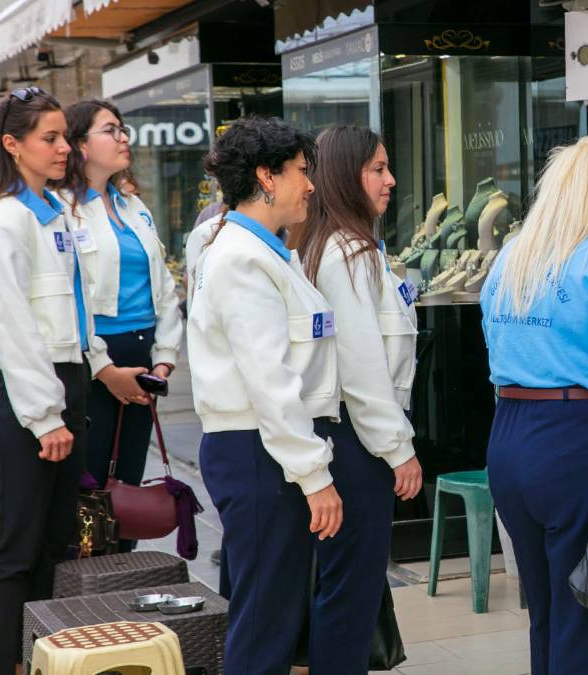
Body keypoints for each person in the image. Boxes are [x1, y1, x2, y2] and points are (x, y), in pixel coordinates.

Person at [479, 128, 588, 675]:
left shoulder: (512, 257)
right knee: (583, 617)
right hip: (576, 438)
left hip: (509, 437)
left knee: (547, 612)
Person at [187, 116, 343, 674]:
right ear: (266, 177)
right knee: (263, 626)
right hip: (259, 452)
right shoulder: (241, 259)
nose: (310, 185)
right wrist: (314, 474)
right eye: (302, 172)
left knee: (272, 614)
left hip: (265, 449)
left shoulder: (268, 251)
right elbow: (271, 382)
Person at [0, 87, 110, 674]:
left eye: (63, 138)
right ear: (11, 144)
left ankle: (41, 662)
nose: (61, 149)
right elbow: (14, 327)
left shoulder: (55, 212)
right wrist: (45, 415)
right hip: (23, 400)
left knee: (53, 547)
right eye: (48, 138)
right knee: (12, 551)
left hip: (63, 388)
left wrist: (94, 367)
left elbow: (75, 309)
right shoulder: (3, 219)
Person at [289, 124, 424, 668]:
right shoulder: (347, 252)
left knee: (348, 588)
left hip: (352, 438)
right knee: (351, 593)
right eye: (377, 169)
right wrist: (399, 448)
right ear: (346, 176)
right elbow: (362, 369)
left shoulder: (342, 244)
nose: (391, 180)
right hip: (356, 442)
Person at [54, 100, 183, 552]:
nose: (124, 137)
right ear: (81, 145)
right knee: (89, 489)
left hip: (142, 360)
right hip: (95, 362)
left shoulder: (133, 206)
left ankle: (121, 578)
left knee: (126, 482)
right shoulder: (62, 211)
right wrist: (105, 370)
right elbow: (68, 299)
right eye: (111, 130)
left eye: (123, 128)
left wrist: (164, 361)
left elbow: (164, 287)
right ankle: (85, 589)